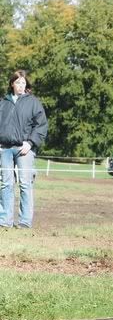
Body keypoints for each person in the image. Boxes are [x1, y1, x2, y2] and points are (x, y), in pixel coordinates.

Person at [0, 70, 48, 228]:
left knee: (25, 184)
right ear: (12, 84)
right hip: (5, 149)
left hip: (24, 149)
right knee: (6, 184)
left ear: (26, 85)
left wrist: (30, 143)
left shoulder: (33, 102)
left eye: (23, 83)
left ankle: (24, 222)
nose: (20, 85)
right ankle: (5, 221)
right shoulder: (3, 102)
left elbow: (41, 125)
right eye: (18, 82)